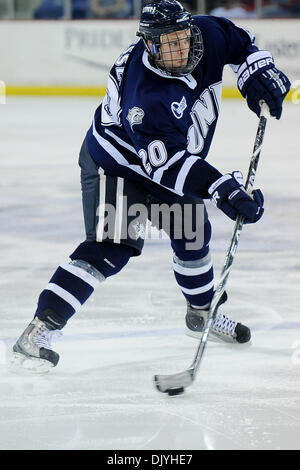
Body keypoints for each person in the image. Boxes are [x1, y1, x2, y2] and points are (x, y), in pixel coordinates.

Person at [12, 0, 290, 374]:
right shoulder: (146, 97)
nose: (179, 51)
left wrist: (256, 72)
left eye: (182, 39)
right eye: (167, 44)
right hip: (117, 165)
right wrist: (222, 187)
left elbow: (241, 42)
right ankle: (38, 330)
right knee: (112, 245)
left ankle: (201, 313)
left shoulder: (207, 33)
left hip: (169, 158)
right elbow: (168, 166)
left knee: (193, 234)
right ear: (149, 45)